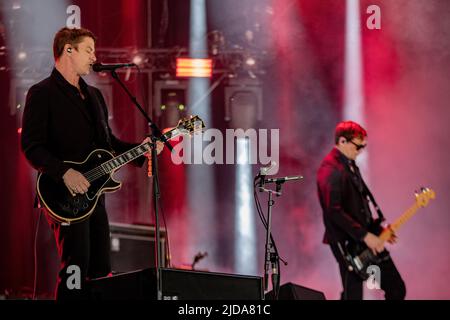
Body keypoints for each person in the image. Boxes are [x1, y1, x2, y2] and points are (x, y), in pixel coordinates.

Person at [21, 27, 163, 300]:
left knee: (101, 268)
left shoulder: (95, 97)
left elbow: (108, 145)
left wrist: (142, 149)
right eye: (89, 50)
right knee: (75, 266)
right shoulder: (42, 93)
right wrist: (64, 172)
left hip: (94, 196)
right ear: (68, 50)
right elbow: (31, 146)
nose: (94, 57)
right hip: (62, 194)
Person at [316, 121, 406, 300]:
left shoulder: (350, 165)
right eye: (358, 146)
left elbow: (358, 207)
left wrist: (377, 230)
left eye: (364, 146)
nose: (361, 150)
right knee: (353, 295)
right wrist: (365, 236)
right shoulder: (330, 170)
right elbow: (333, 211)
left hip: (363, 238)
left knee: (396, 288)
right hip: (348, 244)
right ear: (342, 141)